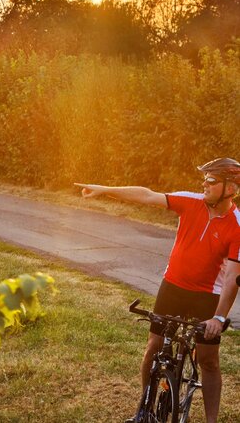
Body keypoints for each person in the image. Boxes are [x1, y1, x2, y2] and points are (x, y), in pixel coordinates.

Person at [76, 157, 240, 423]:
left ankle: (212, 421)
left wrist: (219, 318)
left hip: (207, 295)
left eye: (211, 180)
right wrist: (105, 189)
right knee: (153, 346)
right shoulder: (191, 201)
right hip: (173, 286)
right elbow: (147, 196)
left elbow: (233, 275)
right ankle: (144, 410)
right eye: (205, 179)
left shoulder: (236, 224)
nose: (204, 184)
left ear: (230, 187)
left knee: (209, 361)